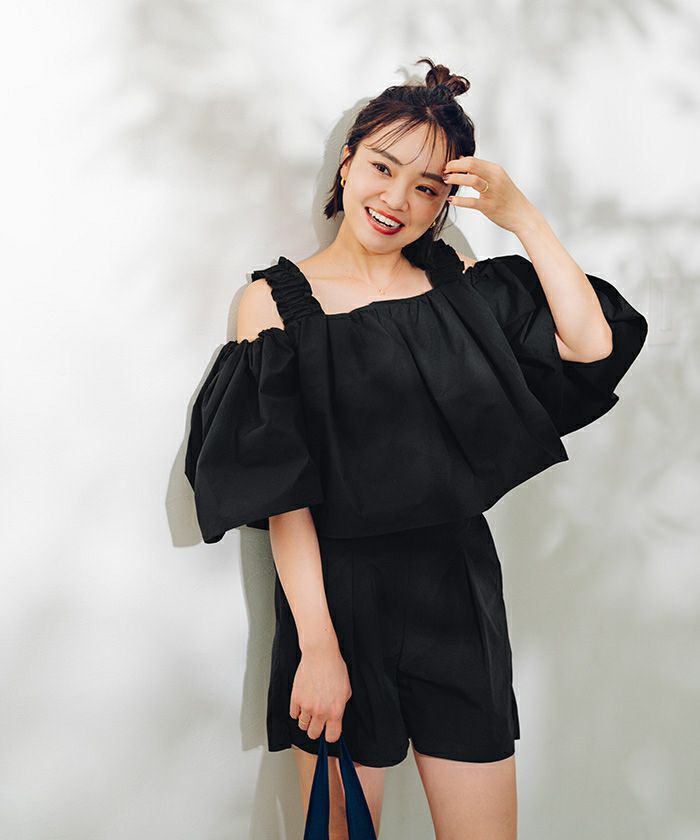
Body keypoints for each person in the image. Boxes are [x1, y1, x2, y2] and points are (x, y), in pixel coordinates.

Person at [184, 57, 648, 840]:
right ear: (348, 162)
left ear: (444, 202)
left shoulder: (455, 283)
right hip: (337, 604)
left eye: (427, 187)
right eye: (383, 167)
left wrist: (522, 216)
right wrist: (319, 650)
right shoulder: (271, 303)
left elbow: (590, 341)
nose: (397, 199)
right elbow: (282, 491)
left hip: (457, 595)